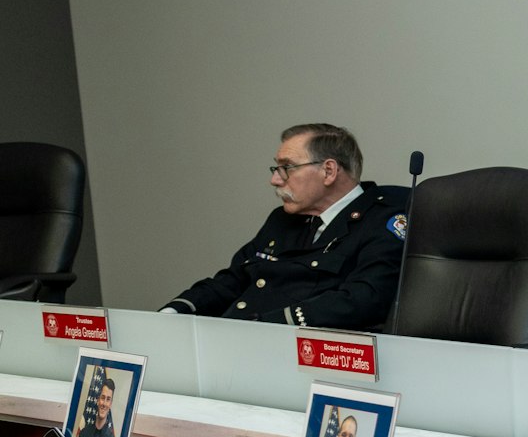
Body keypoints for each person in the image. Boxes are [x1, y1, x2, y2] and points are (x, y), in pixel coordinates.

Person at [162, 123, 410, 330]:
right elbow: (234, 279)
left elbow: (363, 301)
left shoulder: (384, 218)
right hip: (240, 342)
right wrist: (175, 311)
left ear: (329, 171)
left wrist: (263, 327)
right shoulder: (283, 219)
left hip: (300, 355)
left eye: (287, 168)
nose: (275, 180)